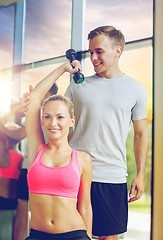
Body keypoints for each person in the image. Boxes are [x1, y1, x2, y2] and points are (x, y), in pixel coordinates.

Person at [64, 26, 148, 240]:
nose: (93, 57)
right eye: (91, 52)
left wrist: (139, 174)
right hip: (76, 174)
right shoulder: (77, 86)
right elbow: (61, 125)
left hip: (112, 175)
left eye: (99, 51)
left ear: (117, 51)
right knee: (72, 235)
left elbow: (140, 134)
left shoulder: (136, 89)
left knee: (108, 237)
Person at [25, 69, 92, 240]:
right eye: (47, 116)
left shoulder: (82, 159)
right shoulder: (35, 151)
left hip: (75, 235)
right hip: (38, 235)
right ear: (42, 120)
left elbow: (85, 205)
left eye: (60, 117)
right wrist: (63, 68)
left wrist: (89, 236)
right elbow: (35, 98)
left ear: (71, 121)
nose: (53, 123)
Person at [14, 82, 58, 240]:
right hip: (29, 169)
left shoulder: (51, 116)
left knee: (42, 215)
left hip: (46, 171)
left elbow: (18, 135)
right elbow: (20, 135)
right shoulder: (37, 113)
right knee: (23, 213)